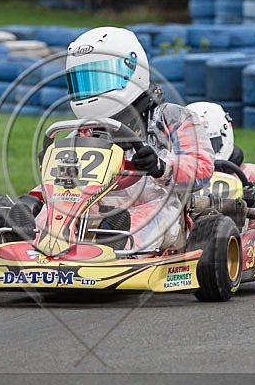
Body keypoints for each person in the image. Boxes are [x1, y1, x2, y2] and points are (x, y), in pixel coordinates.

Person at [33, 26, 215, 251]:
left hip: (158, 208)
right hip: (94, 209)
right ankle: (28, 234)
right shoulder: (84, 131)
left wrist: (161, 167)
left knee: (154, 209)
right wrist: (46, 179)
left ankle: (117, 244)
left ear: (132, 70)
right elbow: (66, 185)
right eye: (83, 83)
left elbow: (203, 167)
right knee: (54, 210)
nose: (90, 91)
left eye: (98, 80)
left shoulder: (172, 117)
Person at [186, 102, 255, 211]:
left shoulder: (254, 176)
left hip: (235, 226)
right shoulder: (170, 179)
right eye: (192, 146)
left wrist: (252, 202)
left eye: (209, 145)